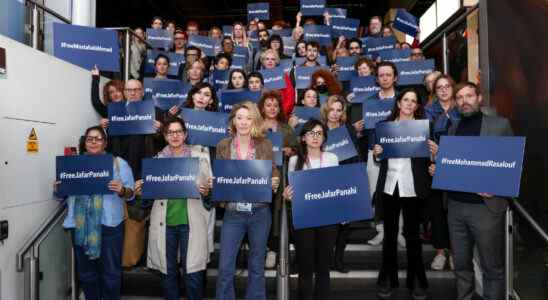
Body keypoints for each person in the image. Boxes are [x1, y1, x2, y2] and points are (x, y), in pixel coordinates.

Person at [429, 82, 513, 300]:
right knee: (462, 267)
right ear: (456, 102)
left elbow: (514, 164)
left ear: (479, 98)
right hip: (456, 207)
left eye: (469, 96)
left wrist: (497, 187)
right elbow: (457, 165)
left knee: (491, 268)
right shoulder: (453, 129)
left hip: (485, 209)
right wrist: (439, 167)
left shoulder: (499, 125)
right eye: (459, 97)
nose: (464, 101)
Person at [134, 117, 213, 300]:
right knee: (168, 273)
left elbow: (211, 197)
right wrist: (142, 191)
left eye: (179, 132)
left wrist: (207, 191)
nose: (175, 136)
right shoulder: (156, 161)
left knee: (192, 273)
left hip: (191, 222)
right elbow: (147, 202)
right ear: (165, 135)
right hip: (165, 224)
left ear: (185, 134)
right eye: (170, 132)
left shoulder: (200, 157)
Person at [54, 125, 135, 300]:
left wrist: (122, 190)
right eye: (90, 138)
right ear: (85, 142)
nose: (93, 141)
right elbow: (63, 196)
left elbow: (131, 195)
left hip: (110, 227)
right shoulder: (72, 165)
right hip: (80, 226)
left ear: (105, 143)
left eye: (98, 138)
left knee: (111, 276)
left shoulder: (118, 163)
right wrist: (58, 189)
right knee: (87, 276)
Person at [373, 89, 435, 300]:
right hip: (390, 185)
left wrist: (434, 153)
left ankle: (416, 280)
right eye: (405, 100)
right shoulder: (385, 127)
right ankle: (387, 278)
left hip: (413, 186)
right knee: (389, 236)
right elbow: (379, 158)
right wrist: (377, 154)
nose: (409, 104)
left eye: (413, 101)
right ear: (398, 103)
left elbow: (430, 161)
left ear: (417, 106)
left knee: (412, 236)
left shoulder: (424, 128)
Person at [215, 101, 280, 300]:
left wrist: (275, 180)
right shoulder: (223, 145)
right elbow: (220, 178)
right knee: (225, 267)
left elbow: (274, 172)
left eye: (248, 117)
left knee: (257, 266)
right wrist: (215, 182)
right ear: (233, 121)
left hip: (259, 213)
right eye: (239, 117)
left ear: (255, 121)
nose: (243, 122)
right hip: (233, 213)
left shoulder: (265, 144)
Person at [282, 119, 339, 300]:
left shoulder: (332, 158)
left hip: (327, 219)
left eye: (319, 133)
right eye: (311, 133)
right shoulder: (294, 161)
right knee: (305, 269)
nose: (315, 137)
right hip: (304, 219)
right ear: (303, 138)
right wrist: (287, 196)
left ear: (324, 137)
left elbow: (337, 189)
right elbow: (292, 191)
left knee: (323, 268)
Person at [364, 61, 406, 247]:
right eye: (381, 75)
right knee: (375, 193)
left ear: (395, 77)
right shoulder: (369, 102)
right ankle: (380, 231)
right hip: (374, 153)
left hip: (400, 154)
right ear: (377, 78)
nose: (385, 78)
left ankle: (399, 232)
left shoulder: (404, 100)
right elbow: (368, 130)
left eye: (388, 75)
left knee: (400, 192)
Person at [319, 95, 361, 273]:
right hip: (323, 180)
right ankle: (326, 260)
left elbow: (356, 154)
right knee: (326, 224)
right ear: (326, 110)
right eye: (332, 109)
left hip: (344, 179)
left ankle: (339, 260)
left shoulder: (348, 129)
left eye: (339, 110)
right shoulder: (318, 129)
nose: (335, 113)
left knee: (344, 225)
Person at [258, 90, 299, 268]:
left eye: (275, 105)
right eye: (269, 105)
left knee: (276, 210)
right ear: (262, 107)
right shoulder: (255, 126)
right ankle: (261, 248)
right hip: (259, 173)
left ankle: (273, 249)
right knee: (261, 209)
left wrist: (290, 151)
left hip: (280, 174)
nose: (272, 108)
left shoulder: (285, 127)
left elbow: (296, 148)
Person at [424, 75, 460, 272]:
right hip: (434, 168)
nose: (444, 90)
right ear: (434, 91)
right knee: (437, 211)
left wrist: (444, 152)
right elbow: (424, 140)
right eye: (439, 88)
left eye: (447, 86)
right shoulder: (428, 111)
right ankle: (440, 252)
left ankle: (455, 251)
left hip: (458, 167)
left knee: (454, 212)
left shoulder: (462, 110)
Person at [259, 49, 296, 116]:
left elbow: (290, 96)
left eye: (273, 59)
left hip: (280, 114)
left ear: (276, 62)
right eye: (267, 59)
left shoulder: (283, 76)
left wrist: (281, 113)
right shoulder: (258, 76)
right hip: (261, 115)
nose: (270, 61)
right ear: (263, 61)